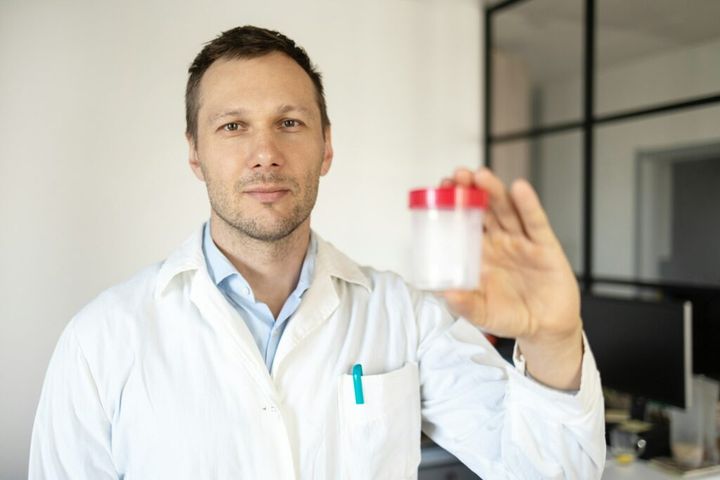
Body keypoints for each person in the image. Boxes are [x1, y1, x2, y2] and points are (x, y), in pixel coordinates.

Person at [29, 25, 605, 479]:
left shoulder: (405, 315)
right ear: (195, 155)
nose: (265, 153)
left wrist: (551, 340)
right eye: (232, 126)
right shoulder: (100, 339)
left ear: (326, 147)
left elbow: (553, 473)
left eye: (290, 121)